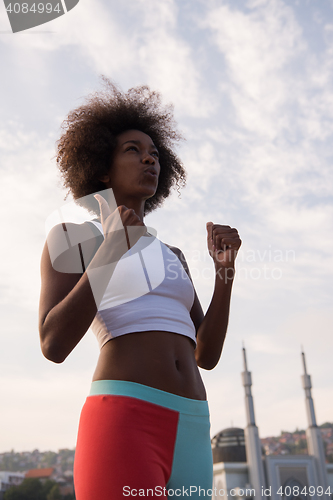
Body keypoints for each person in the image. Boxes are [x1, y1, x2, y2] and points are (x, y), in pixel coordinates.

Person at [39, 80, 241, 499]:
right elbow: (53, 342)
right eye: (133, 149)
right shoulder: (73, 237)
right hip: (124, 417)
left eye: (154, 152)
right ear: (101, 168)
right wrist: (112, 248)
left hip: (193, 422)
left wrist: (224, 274)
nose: (149, 157)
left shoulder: (174, 255)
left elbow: (207, 355)